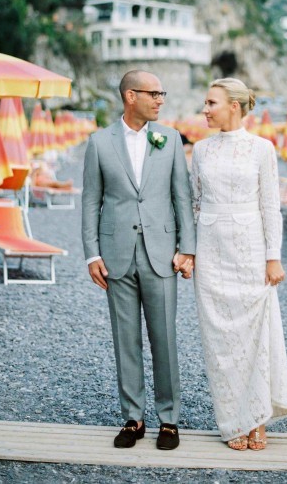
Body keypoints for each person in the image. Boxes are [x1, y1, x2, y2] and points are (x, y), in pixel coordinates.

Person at [82, 70, 195, 451]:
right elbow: (90, 202)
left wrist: (187, 248)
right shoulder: (99, 142)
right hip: (115, 257)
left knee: (164, 338)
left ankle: (169, 420)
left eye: (162, 93)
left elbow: (183, 197)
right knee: (124, 340)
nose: (160, 99)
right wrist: (92, 254)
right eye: (154, 93)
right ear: (131, 96)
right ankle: (133, 418)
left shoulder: (171, 139)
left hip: (162, 254)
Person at [191, 78, 287, 451]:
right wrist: (187, 252)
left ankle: (258, 418)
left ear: (234, 106)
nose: (205, 109)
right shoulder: (201, 151)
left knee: (257, 334)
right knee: (219, 341)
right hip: (210, 252)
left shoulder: (261, 149)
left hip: (251, 251)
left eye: (211, 103)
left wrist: (273, 257)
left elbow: (271, 205)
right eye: (205, 103)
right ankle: (232, 419)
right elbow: (195, 203)